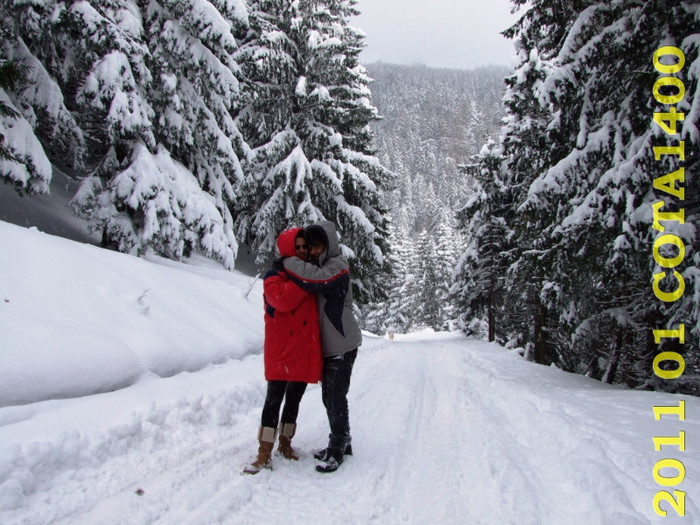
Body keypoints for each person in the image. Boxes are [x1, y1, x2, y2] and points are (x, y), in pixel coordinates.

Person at [282, 220, 362, 473]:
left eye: (317, 247)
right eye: (312, 248)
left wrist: (287, 261)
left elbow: (316, 280)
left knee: (335, 397)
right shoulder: (323, 265)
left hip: (343, 344)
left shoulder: (337, 266)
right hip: (331, 347)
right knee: (330, 397)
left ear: (329, 245)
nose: (314, 252)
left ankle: (337, 447)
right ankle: (342, 440)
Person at [243, 228, 322, 475]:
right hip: (281, 349)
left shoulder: (309, 275)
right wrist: (304, 280)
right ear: (287, 248)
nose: (300, 251)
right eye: (296, 247)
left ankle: (286, 443)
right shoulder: (274, 275)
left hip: (301, 349)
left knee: (294, 399)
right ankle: (264, 451)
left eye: (303, 247)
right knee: (273, 400)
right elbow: (282, 301)